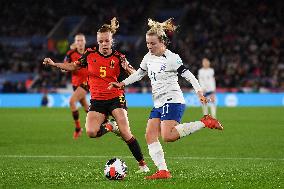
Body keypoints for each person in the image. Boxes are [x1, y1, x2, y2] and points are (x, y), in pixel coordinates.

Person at [109, 18, 223, 179]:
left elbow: (188, 75)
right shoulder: (148, 57)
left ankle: (205, 122)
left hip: (173, 100)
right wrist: (122, 83)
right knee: (149, 135)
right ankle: (163, 170)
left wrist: (199, 92)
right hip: (158, 102)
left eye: (153, 43)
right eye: (147, 43)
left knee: (168, 136)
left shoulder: (172, 58)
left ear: (162, 41)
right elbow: (139, 74)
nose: (149, 46)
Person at [43, 17, 149, 173]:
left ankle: (143, 165)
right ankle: (110, 125)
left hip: (115, 98)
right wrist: (54, 64)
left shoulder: (119, 57)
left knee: (126, 133)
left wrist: (129, 69)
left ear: (111, 40)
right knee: (92, 132)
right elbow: (73, 66)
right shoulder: (89, 54)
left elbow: (137, 74)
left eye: (107, 41)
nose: (104, 44)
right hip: (97, 101)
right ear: (97, 41)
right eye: (101, 41)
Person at [63, 33, 89, 139]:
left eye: (81, 40)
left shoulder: (89, 53)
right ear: (75, 42)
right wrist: (66, 68)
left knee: (72, 101)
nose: (80, 42)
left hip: (87, 82)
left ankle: (78, 128)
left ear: (85, 42)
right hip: (75, 83)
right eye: (77, 40)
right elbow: (64, 67)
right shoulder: (70, 53)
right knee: (86, 107)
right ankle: (103, 122)